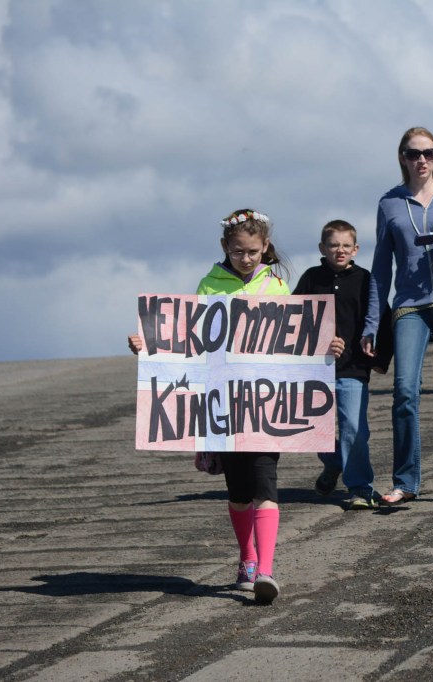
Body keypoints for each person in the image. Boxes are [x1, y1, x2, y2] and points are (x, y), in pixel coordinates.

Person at [128, 208, 309, 605]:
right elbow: (189, 341)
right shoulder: (209, 285)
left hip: (265, 403)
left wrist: (326, 346)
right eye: (239, 251)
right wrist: (149, 343)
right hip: (223, 404)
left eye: (253, 252)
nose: (246, 258)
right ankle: (246, 559)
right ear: (225, 247)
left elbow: (298, 340)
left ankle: (265, 569)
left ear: (265, 248)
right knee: (239, 491)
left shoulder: (277, 285)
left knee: (266, 486)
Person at [361, 126, 433, 506]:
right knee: (404, 393)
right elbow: (380, 269)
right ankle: (406, 481)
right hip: (410, 305)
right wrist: (372, 323)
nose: (422, 160)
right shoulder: (390, 203)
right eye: (414, 154)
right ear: (403, 158)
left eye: (428, 153)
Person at [294, 220, 379, 510]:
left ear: (355, 249)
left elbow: (376, 318)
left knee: (354, 429)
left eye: (345, 245)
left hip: (353, 367)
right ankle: (334, 464)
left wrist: (376, 352)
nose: (339, 250)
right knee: (314, 430)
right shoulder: (311, 278)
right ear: (322, 248)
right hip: (315, 368)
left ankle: (360, 488)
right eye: (333, 245)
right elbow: (292, 319)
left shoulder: (366, 279)